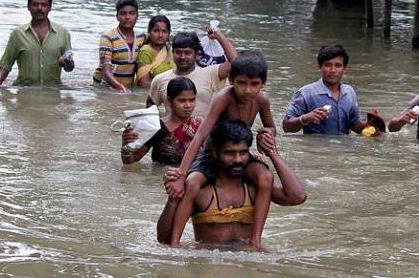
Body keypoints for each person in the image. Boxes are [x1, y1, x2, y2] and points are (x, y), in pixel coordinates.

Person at [165, 51, 300, 250]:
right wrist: (181, 173)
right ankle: (175, 243)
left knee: (265, 178)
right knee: (192, 183)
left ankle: (255, 241)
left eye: (254, 84)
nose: (247, 90)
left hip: (240, 152)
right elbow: (201, 135)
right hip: (212, 154)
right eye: (241, 83)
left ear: (263, 83)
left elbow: (271, 126)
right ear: (231, 80)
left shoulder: (262, 100)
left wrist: (267, 134)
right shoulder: (223, 98)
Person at [157, 118, 306, 249]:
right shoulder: (201, 191)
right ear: (215, 153)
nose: (238, 160)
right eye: (230, 153)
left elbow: (297, 196)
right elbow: (164, 239)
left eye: (243, 152)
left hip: (247, 262)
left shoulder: (257, 188)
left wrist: (273, 153)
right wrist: (173, 198)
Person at [0, 0, 74, 86]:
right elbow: (6, 64)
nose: (39, 8)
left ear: (50, 7)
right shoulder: (18, 34)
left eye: (44, 5)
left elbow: (70, 68)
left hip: (53, 92)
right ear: (28, 7)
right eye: (35, 4)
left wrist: (67, 62)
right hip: (24, 91)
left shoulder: (63, 33)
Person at [282, 45, 368, 135]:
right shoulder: (306, 93)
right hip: (317, 148)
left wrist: (370, 124)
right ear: (320, 67)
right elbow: (286, 126)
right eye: (328, 65)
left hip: (345, 148)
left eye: (338, 66)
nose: (333, 70)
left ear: (344, 68)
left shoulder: (349, 92)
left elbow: (355, 125)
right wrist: (305, 118)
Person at [147, 31, 236, 118]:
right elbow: (150, 107)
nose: (182, 57)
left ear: (196, 54)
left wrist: (219, 36)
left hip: (202, 131)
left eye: (187, 53)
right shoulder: (160, 79)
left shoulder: (210, 74)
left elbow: (236, 63)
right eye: (178, 52)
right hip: (172, 132)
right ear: (172, 53)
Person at [122, 77, 202, 166]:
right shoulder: (156, 127)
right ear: (169, 100)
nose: (188, 105)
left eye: (192, 100)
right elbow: (131, 160)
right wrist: (126, 144)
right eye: (182, 100)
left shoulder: (201, 125)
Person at [93, 0, 147, 92]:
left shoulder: (142, 38)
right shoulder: (107, 37)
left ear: (137, 16)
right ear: (117, 16)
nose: (127, 17)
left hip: (127, 88)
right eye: (123, 14)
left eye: (131, 13)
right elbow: (106, 70)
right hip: (104, 88)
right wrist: (120, 87)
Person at [136, 15, 174, 88]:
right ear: (149, 32)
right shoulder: (145, 51)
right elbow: (143, 83)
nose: (160, 35)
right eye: (156, 31)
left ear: (169, 33)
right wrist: (170, 88)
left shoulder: (170, 50)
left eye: (164, 31)